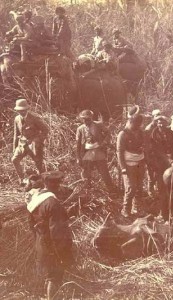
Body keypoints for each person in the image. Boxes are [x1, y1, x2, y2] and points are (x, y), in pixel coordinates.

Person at [26, 171, 73, 300]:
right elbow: (56, 231)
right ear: (57, 185)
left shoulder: (34, 200)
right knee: (55, 277)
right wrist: (62, 252)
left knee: (49, 274)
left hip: (41, 243)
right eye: (57, 183)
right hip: (53, 247)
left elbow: (31, 225)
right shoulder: (53, 203)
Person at [148, 115, 173, 220]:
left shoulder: (170, 133)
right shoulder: (153, 135)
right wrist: (170, 161)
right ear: (156, 123)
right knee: (162, 190)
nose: (161, 125)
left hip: (172, 162)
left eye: (163, 123)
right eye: (159, 123)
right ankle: (163, 214)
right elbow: (158, 152)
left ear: (166, 124)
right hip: (158, 164)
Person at [76, 110, 115, 193]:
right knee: (86, 173)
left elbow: (108, 133)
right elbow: (78, 144)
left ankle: (111, 190)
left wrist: (104, 143)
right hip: (87, 153)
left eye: (88, 119)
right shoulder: (80, 129)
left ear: (91, 118)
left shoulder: (98, 125)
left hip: (98, 151)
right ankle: (88, 191)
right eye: (84, 119)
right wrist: (78, 157)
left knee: (104, 172)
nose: (86, 121)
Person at [117, 106, 145, 217]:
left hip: (140, 162)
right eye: (135, 125)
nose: (137, 127)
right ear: (130, 122)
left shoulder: (140, 132)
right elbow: (119, 151)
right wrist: (123, 168)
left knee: (139, 187)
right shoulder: (122, 134)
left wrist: (142, 150)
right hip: (128, 164)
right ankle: (125, 209)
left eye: (139, 125)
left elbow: (143, 144)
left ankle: (136, 208)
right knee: (131, 188)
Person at [12, 99, 49, 184]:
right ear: (17, 110)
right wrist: (14, 148)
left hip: (34, 144)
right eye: (20, 111)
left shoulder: (34, 118)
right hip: (22, 144)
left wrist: (38, 140)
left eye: (24, 110)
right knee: (14, 159)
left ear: (27, 109)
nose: (22, 112)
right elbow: (16, 134)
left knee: (38, 162)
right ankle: (22, 179)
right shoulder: (17, 119)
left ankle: (42, 181)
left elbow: (45, 130)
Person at [145, 109, 162, 196]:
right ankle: (150, 191)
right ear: (153, 117)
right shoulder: (149, 128)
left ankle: (157, 188)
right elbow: (147, 144)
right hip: (151, 154)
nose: (158, 118)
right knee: (151, 174)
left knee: (159, 172)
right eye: (156, 116)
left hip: (159, 153)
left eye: (160, 115)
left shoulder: (160, 127)